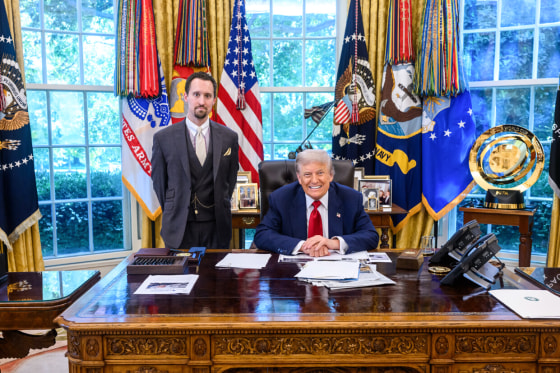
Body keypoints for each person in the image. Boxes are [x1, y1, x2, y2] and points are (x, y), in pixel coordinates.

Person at [151, 71, 239, 250]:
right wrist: (177, 206)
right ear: (185, 97)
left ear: (214, 100)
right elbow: (160, 184)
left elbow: (230, 182)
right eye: (196, 94)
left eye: (207, 96)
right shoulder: (163, 138)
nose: (201, 101)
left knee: (216, 278)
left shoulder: (229, 138)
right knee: (180, 278)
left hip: (217, 227)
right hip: (178, 228)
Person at [254, 149, 379, 257]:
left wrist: (334, 243)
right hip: (294, 271)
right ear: (299, 178)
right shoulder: (282, 198)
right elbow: (262, 235)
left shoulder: (351, 198)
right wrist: (303, 246)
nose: (314, 180)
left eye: (320, 173)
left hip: (337, 271)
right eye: (307, 174)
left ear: (330, 175)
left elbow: (371, 236)